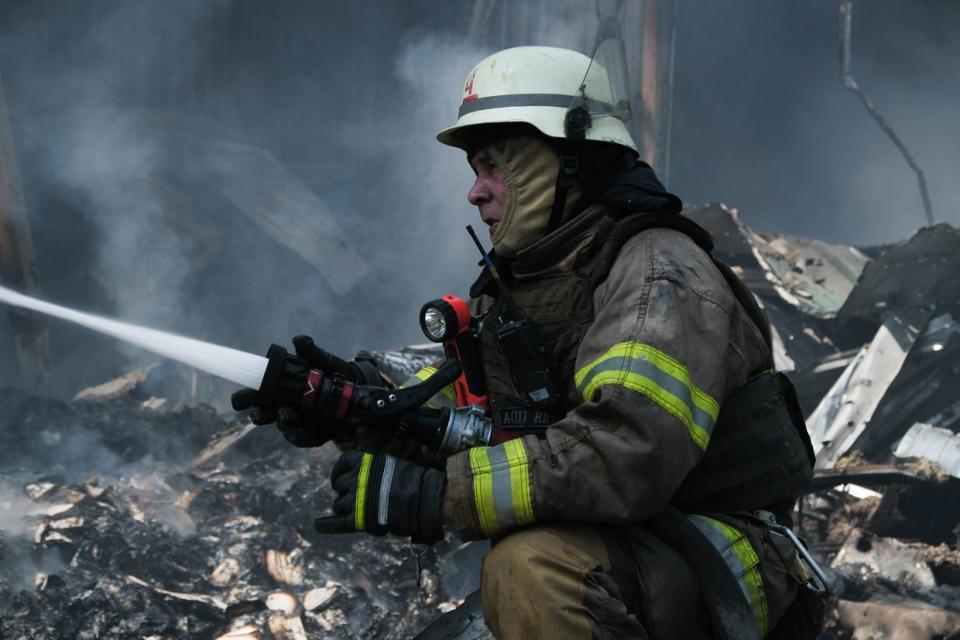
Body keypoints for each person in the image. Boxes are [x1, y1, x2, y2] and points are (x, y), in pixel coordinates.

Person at [234, 46, 819, 639]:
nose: (476, 193)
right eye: (474, 171)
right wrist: (351, 405)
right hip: (623, 547)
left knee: (528, 569)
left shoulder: (654, 272)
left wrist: (441, 496)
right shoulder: (523, 285)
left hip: (716, 556)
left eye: (495, 168)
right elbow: (478, 425)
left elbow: (625, 455)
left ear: (565, 160)